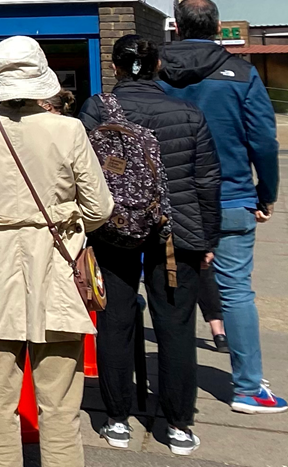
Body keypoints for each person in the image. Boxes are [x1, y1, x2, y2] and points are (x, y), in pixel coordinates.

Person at [0, 35, 113, 467]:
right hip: (56, 268)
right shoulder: (68, 129)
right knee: (60, 407)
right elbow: (100, 207)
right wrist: (64, 218)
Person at [76, 35, 219, 455]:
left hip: (113, 229)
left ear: (116, 67)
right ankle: (178, 426)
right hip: (177, 232)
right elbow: (208, 180)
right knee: (175, 327)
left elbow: (80, 171)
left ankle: (117, 419)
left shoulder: (96, 109)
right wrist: (207, 237)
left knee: (115, 321)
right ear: (157, 66)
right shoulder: (188, 113)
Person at [160, 0, 285, 414]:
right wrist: (265, 191)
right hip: (230, 195)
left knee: (170, 290)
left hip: (169, 199)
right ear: (218, 28)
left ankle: (173, 390)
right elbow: (264, 141)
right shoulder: (242, 74)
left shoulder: (155, 72)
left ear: (176, 27)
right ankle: (248, 387)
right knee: (235, 292)